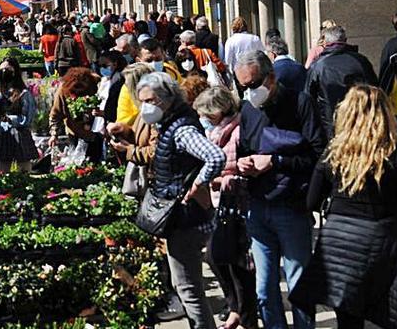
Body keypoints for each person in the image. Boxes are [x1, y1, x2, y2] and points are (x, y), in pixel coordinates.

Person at [289, 85, 397, 328]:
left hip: (340, 242)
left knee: (348, 317)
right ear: (385, 113)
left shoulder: (334, 152)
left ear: (347, 113)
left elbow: (311, 200)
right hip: (382, 241)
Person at [234, 50, 325, 329]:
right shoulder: (248, 109)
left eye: (253, 85)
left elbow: (318, 156)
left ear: (270, 77)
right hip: (258, 207)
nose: (249, 92)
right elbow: (246, 148)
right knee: (264, 289)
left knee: (298, 285)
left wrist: (275, 161)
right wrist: (244, 163)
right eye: (243, 87)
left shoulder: (300, 103)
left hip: (292, 207)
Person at [135, 72, 226, 329]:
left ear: (167, 99)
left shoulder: (182, 129)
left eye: (150, 100)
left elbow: (215, 157)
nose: (146, 107)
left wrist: (199, 182)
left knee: (187, 287)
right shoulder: (170, 124)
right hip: (183, 216)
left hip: (186, 219)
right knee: (186, 285)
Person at [193, 87, 258, 329]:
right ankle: (235, 309)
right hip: (220, 205)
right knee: (216, 257)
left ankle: (246, 318)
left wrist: (222, 180)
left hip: (238, 207)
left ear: (219, 111)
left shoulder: (239, 132)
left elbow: (246, 169)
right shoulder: (216, 133)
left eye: (206, 115)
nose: (204, 120)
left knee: (239, 266)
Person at [304, 25, 377, 138]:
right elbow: (375, 90)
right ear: (345, 41)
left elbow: (308, 98)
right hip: (360, 122)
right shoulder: (361, 61)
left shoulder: (318, 66)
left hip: (330, 125)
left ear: (325, 43)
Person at [115, 39, 181, 124]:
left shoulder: (171, 73)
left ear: (163, 56)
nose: (154, 64)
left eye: (158, 59)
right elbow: (123, 120)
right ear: (139, 60)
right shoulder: (129, 86)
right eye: (149, 60)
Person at [107, 63, 157, 167]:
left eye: (128, 85)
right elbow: (141, 135)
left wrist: (128, 149)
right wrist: (123, 129)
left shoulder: (155, 113)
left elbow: (156, 153)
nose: (127, 89)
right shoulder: (145, 108)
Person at [48, 67, 104, 162]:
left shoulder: (95, 85)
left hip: (95, 133)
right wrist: (54, 134)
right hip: (74, 132)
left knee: (95, 162)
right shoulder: (63, 90)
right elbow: (56, 115)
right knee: (76, 162)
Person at [0, 57, 38, 173]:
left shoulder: (24, 93)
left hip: (20, 133)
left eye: (7, 69)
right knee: (3, 170)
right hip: (4, 133)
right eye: (2, 70)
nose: (4, 72)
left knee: (23, 170)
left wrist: (10, 119)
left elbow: (27, 118)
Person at [97, 50, 128, 123]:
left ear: (115, 64)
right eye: (100, 66)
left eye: (104, 65)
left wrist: (105, 113)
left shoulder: (121, 81)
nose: (102, 68)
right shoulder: (104, 80)